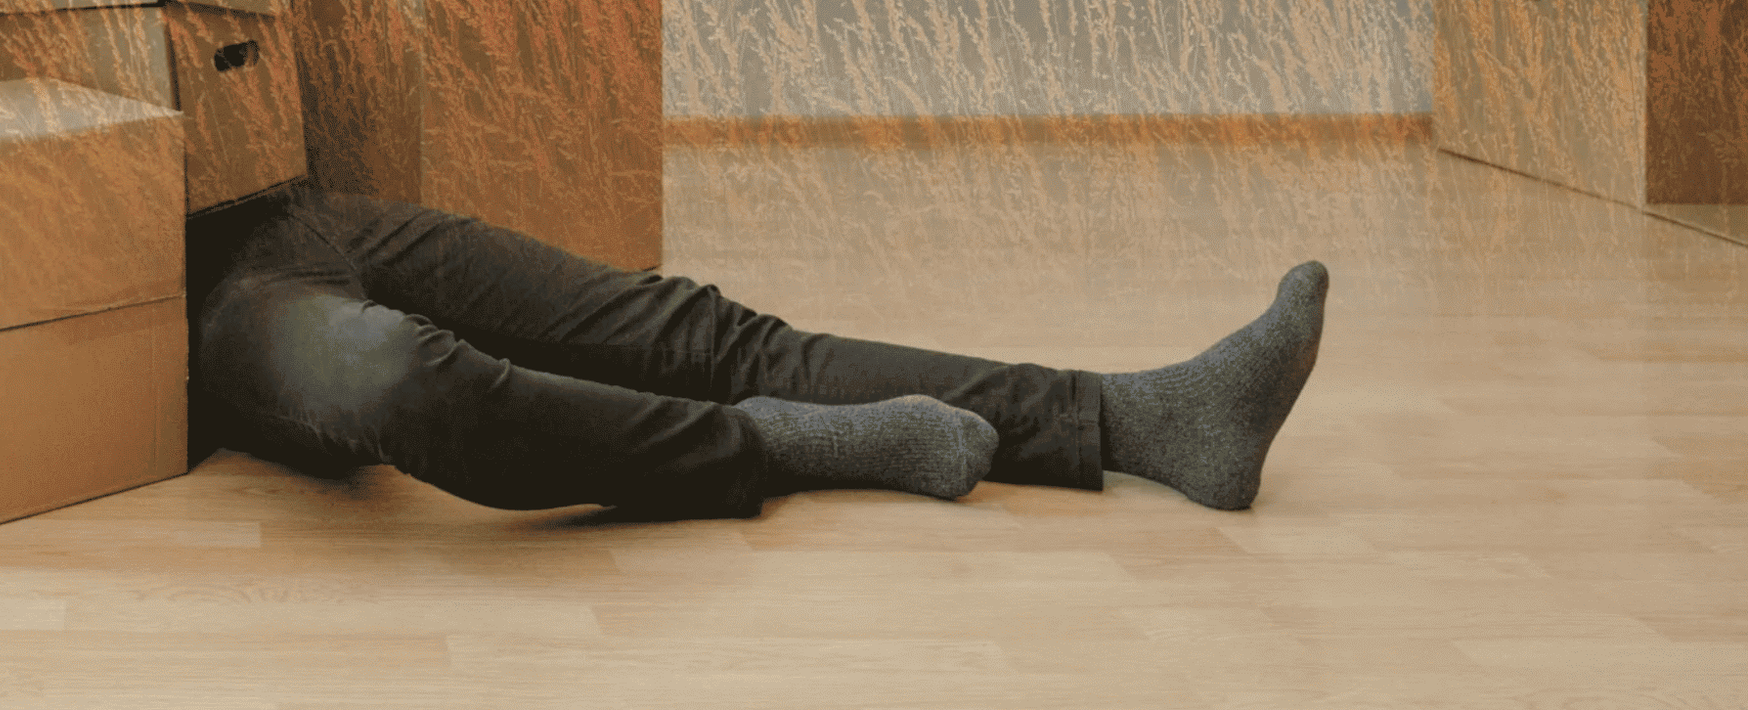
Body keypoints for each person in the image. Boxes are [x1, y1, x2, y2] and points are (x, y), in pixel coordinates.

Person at [185, 180, 1328, 516]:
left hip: (291, 206)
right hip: (188, 291)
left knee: (696, 330)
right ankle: (769, 447)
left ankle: (1139, 419)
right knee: (409, 379)